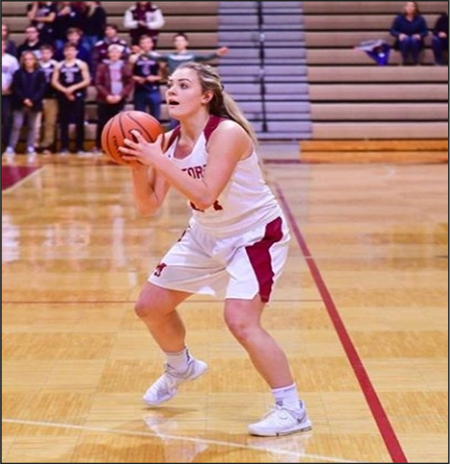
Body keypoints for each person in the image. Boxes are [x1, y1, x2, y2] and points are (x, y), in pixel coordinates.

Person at [117, 62, 313, 437]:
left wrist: (156, 158)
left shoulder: (227, 133)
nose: (171, 90)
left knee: (241, 320)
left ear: (206, 96)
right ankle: (181, 366)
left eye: (183, 85)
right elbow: (148, 207)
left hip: (254, 234)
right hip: (205, 233)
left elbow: (206, 195)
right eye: (170, 84)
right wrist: (137, 166)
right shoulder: (168, 140)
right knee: (149, 307)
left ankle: (292, 408)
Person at [3, 51, 46, 161]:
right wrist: (24, 99)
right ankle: (11, 147)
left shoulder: (40, 73)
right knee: (16, 125)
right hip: (19, 103)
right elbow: (16, 88)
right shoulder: (18, 73)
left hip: (34, 103)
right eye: (26, 59)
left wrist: (33, 99)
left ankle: (30, 147)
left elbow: (41, 89)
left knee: (32, 126)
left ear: (35, 60)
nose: (28, 61)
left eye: (30, 59)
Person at [51, 42, 91, 155]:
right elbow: (54, 81)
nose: (69, 53)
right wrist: (65, 90)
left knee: (79, 120)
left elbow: (87, 80)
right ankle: (64, 147)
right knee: (64, 121)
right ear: (64, 52)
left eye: (72, 50)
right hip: (63, 94)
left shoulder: (81, 64)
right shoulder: (59, 65)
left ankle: (80, 147)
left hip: (77, 94)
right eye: (67, 51)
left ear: (76, 52)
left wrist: (73, 88)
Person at [94, 44, 134, 152]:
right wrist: (107, 95)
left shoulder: (125, 66)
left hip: (119, 99)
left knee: (118, 124)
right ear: (108, 54)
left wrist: (120, 95)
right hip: (104, 99)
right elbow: (98, 83)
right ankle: (99, 146)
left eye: (116, 52)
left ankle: (116, 146)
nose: (114, 54)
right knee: (102, 122)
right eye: (112, 52)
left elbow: (130, 82)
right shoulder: (102, 66)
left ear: (120, 54)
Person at [157, 32, 229, 76]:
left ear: (186, 42)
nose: (179, 42)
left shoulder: (191, 55)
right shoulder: (169, 56)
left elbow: (205, 57)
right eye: (177, 41)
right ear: (174, 43)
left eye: (182, 40)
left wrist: (216, 53)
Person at [130, 34, 163, 121]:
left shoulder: (157, 57)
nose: (145, 45)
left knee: (155, 117)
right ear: (140, 44)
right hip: (140, 90)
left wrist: (155, 78)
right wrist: (137, 78)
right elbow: (128, 74)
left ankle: (156, 134)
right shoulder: (134, 58)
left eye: (148, 42)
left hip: (154, 90)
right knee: (139, 118)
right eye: (143, 43)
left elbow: (163, 75)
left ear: (152, 44)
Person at [37, 44, 59, 154]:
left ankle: (47, 145)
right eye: (43, 53)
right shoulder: (36, 65)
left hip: (51, 97)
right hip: (37, 98)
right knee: (36, 123)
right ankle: (34, 144)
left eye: (47, 53)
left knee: (50, 123)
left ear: (51, 54)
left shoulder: (56, 65)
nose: (45, 55)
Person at [2, 39, 20, 150]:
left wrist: (9, 87)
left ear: (5, 46)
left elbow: (16, 76)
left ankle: (7, 144)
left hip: (7, 94)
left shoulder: (11, 59)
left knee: (7, 119)